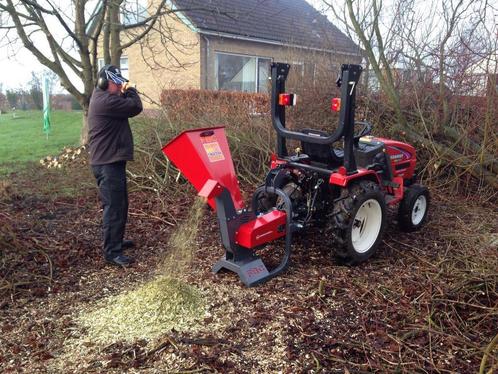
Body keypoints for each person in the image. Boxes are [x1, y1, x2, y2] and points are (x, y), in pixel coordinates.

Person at [88, 64, 143, 267]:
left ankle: (116, 242)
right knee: (113, 208)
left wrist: (123, 90)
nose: (120, 87)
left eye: (121, 84)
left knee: (121, 205)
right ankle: (112, 252)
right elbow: (135, 107)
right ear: (104, 83)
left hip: (111, 162)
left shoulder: (106, 98)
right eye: (116, 83)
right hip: (107, 164)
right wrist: (131, 89)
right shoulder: (105, 101)